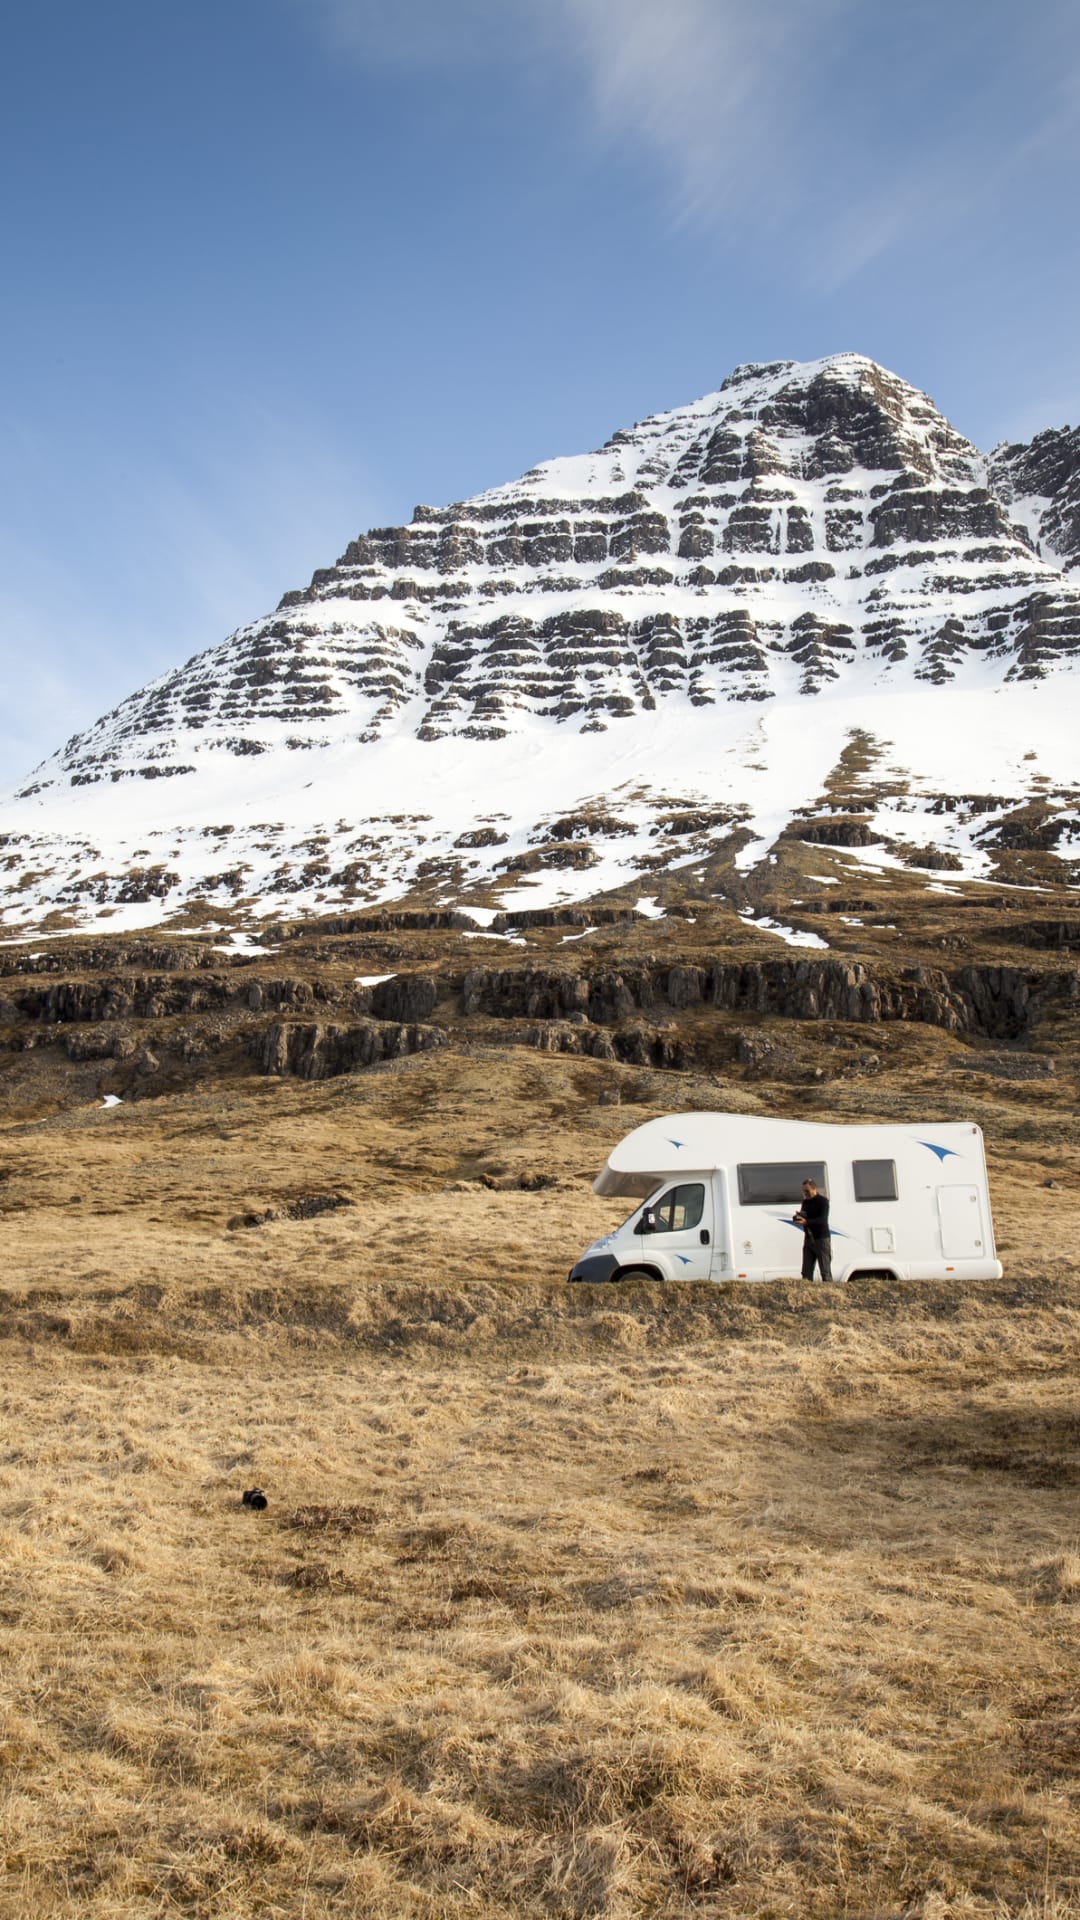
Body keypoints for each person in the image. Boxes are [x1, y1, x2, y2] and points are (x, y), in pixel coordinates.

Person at [794, 1177, 832, 1282]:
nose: (805, 1193)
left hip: (821, 1239)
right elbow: (804, 1215)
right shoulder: (805, 1202)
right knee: (806, 1271)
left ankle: (829, 1293)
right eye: (803, 1191)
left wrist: (806, 1222)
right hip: (808, 1239)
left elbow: (822, 1220)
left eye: (807, 1191)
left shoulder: (823, 1202)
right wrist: (797, 1218)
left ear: (814, 1188)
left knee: (825, 1270)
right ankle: (806, 1293)